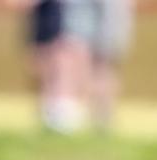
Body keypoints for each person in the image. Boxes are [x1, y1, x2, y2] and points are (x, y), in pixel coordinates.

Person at [24, 0, 133, 132]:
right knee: (71, 56)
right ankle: (67, 112)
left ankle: (99, 117)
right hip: (79, 12)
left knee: (102, 64)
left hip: (105, 11)